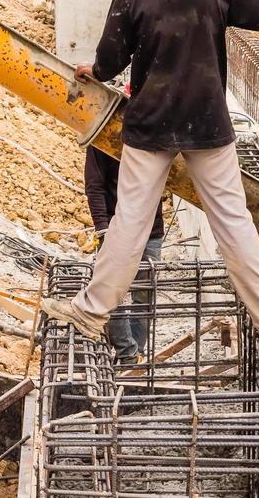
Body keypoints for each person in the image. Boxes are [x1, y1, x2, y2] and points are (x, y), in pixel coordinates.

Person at [42, 0, 259, 346]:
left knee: (130, 220)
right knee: (233, 223)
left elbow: (110, 58)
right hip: (208, 125)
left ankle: (91, 312)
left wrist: (94, 70)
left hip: (149, 126)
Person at [83, 140, 164, 364]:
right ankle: (128, 354)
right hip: (116, 228)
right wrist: (102, 228)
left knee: (145, 292)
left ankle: (136, 353)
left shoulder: (156, 129)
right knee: (110, 291)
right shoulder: (105, 137)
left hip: (151, 229)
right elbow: (94, 185)